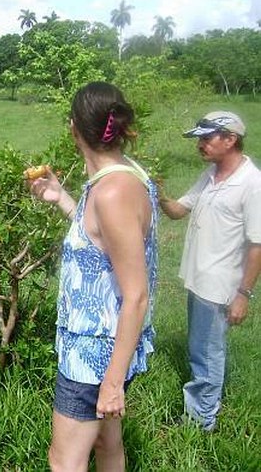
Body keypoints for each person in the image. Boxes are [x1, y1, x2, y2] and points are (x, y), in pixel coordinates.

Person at [27, 82, 158, 471]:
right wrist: (62, 198)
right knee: (106, 443)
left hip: (94, 355)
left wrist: (113, 382)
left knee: (64, 460)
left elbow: (136, 295)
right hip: (109, 345)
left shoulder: (111, 192)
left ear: (73, 128)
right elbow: (103, 246)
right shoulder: (124, 176)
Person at [158, 111, 261, 432]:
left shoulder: (252, 184)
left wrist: (243, 294)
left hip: (220, 285)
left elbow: (258, 245)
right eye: (199, 138)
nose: (200, 144)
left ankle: (201, 421)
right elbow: (178, 211)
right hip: (199, 279)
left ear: (230, 140)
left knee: (207, 352)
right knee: (200, 347)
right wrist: (158, 194)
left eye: (207, 138)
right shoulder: (212, 175)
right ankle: (202, 412)